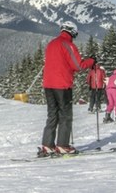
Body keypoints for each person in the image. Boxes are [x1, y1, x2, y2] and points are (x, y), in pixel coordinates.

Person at [38, 21, 95, 157]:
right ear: (73, 31)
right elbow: (78, 65)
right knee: (65, 115)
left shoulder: (52, 43)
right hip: (62, 85)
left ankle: (47, 145)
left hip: (48, 84)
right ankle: (63, 145)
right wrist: (91, 61)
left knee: (52, 115)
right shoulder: (67, 44)